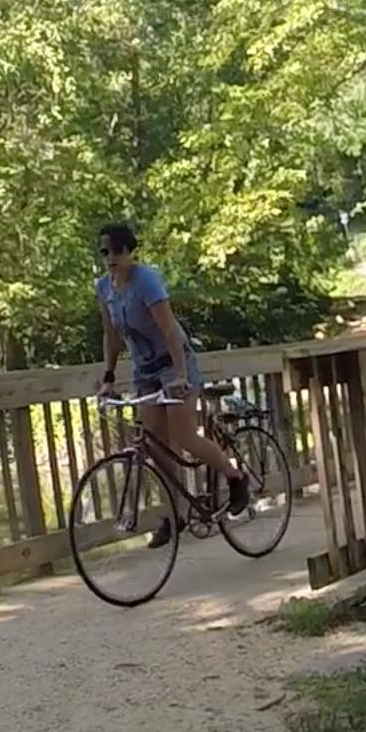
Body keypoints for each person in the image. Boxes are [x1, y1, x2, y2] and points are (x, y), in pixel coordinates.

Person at [93, 222, 248, 543]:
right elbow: (111, 336)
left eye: (119, 250)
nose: (112, 257)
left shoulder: (146, 281)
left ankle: (235, 477)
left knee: (184, 435)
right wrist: (108, 377)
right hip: (144, 369)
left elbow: (168, 329)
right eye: (106, 251)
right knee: (157, 445)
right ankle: (174, 515)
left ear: (130, 250)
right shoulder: (104, 288)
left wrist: (180, 376)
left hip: (174, 363)